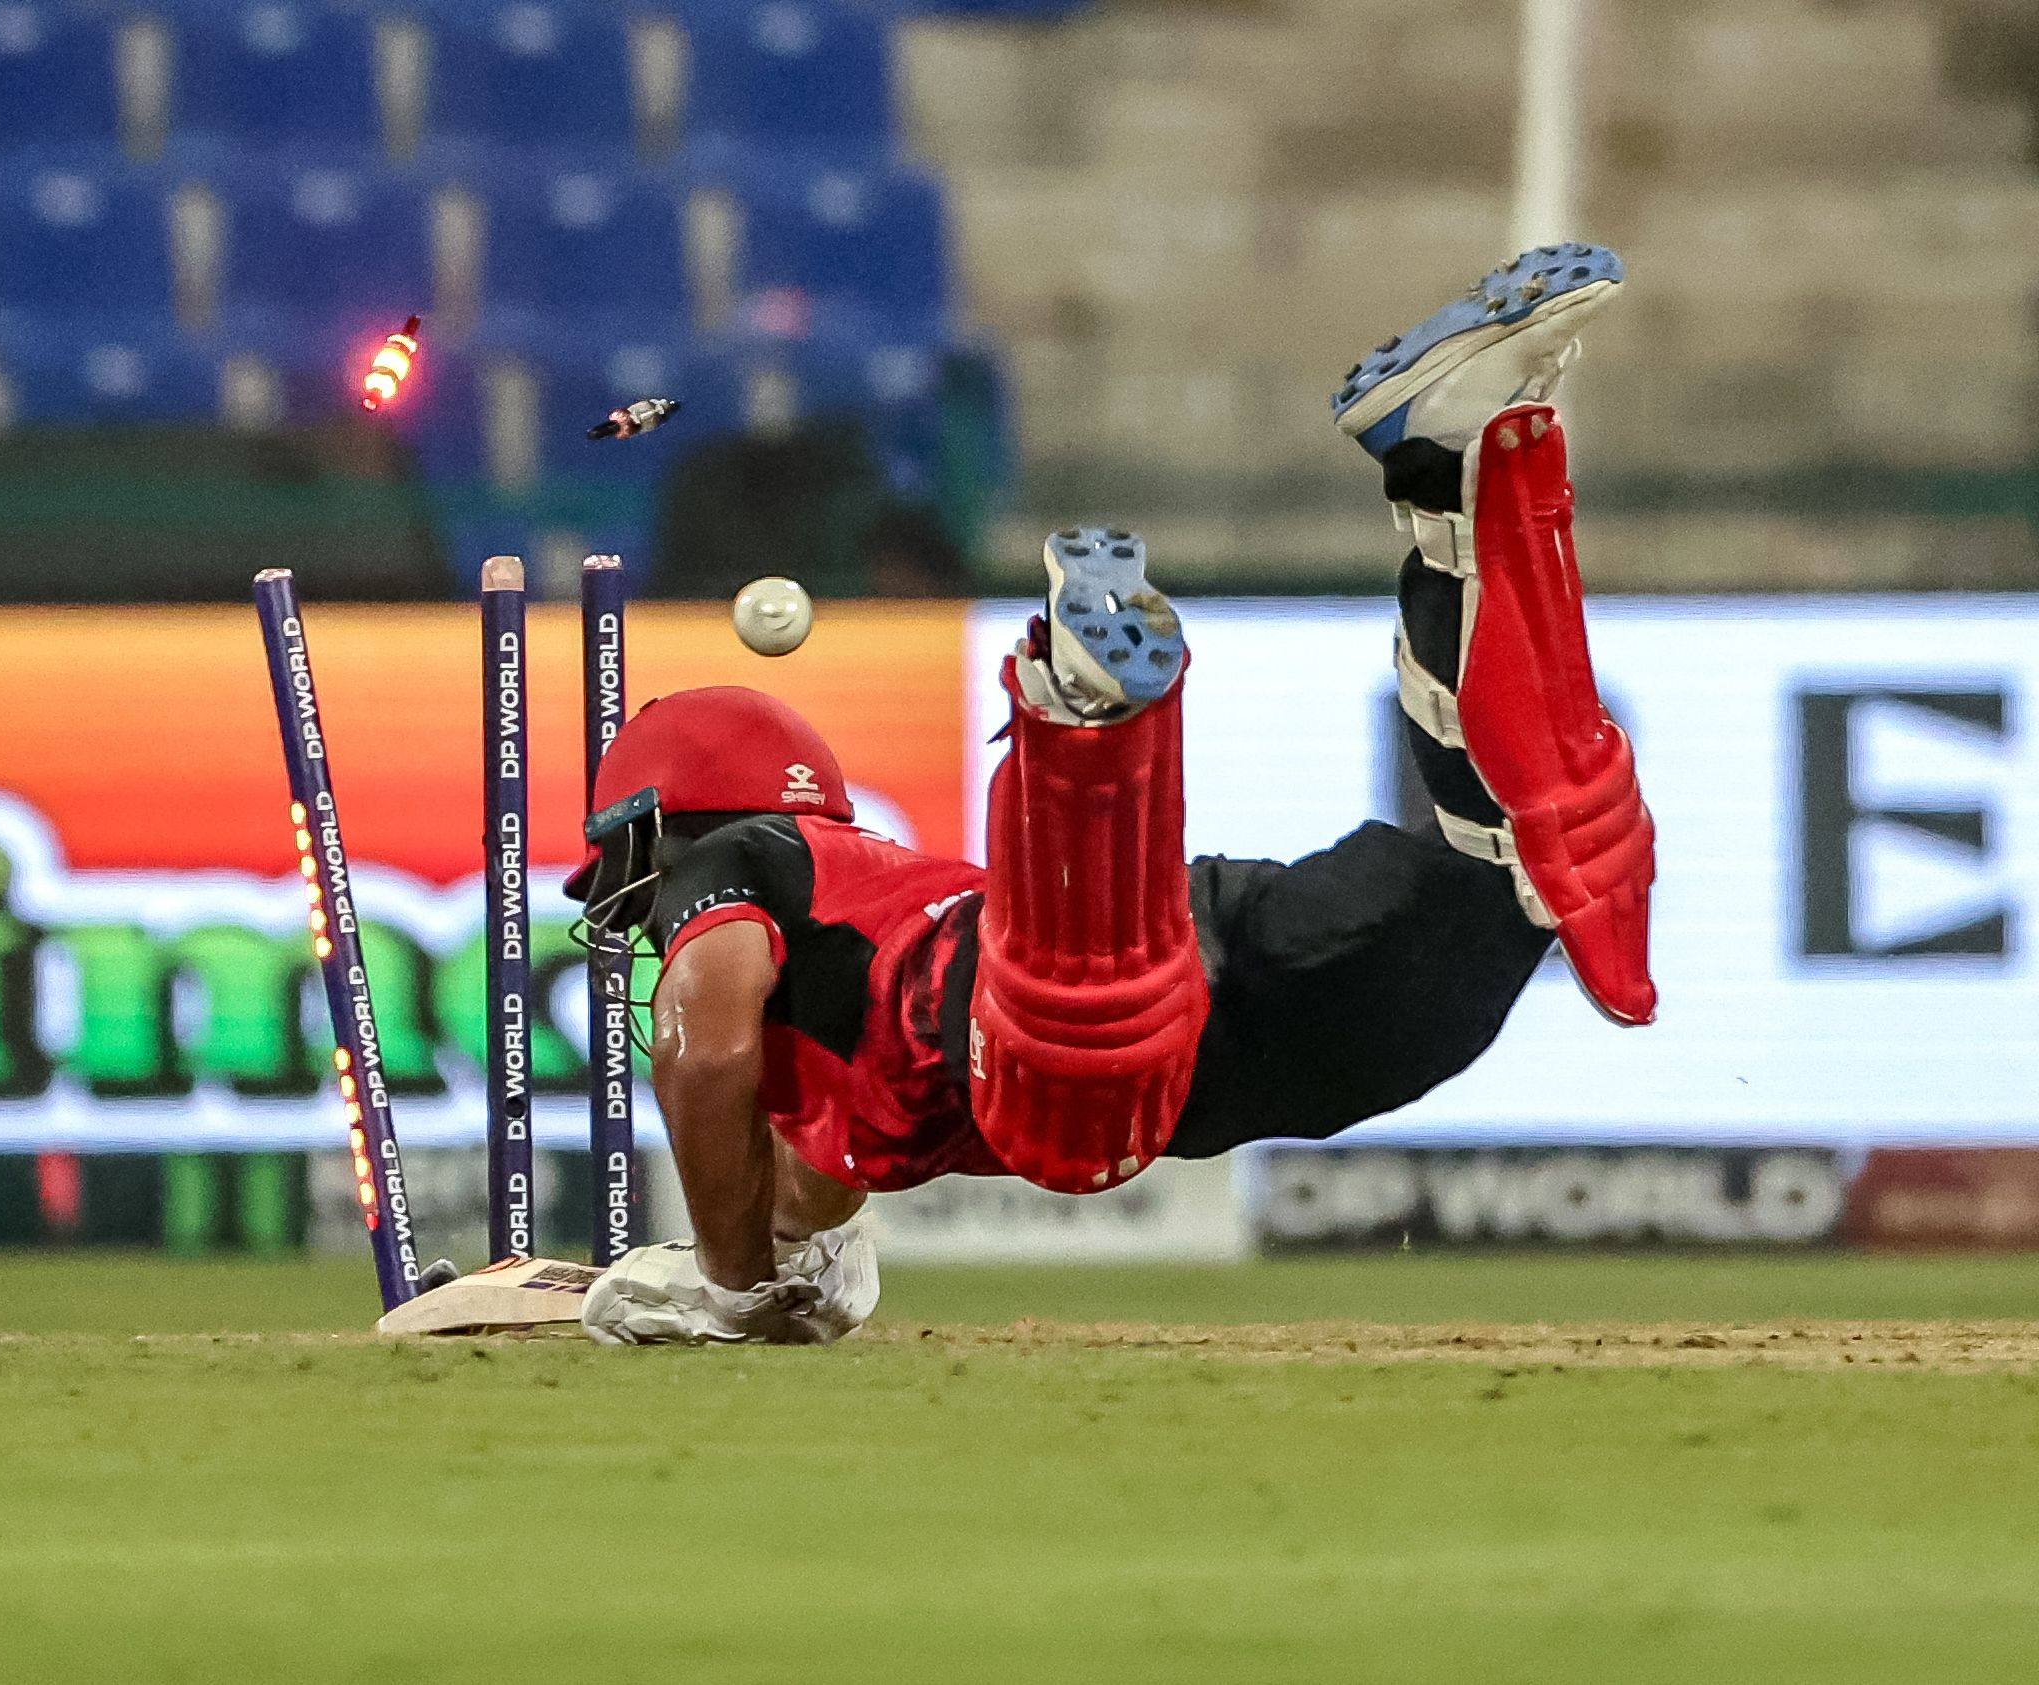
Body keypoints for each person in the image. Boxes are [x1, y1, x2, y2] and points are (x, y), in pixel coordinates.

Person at [569, 246, 1656, 1345]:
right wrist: (784, 1264)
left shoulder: (733, 857)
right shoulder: (841, 938)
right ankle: (1448, 459)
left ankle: (1082, 722)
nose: (630, 904)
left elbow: (704, 1053)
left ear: (669, 819)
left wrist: (728, 1284)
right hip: (1193, 977)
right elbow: (819, 1167)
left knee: (1074, 1089)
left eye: (626, 865)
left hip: (1051, 1004)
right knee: (1508, 875)